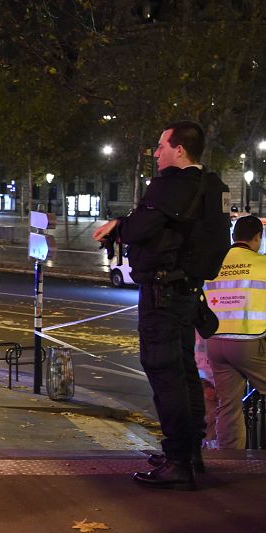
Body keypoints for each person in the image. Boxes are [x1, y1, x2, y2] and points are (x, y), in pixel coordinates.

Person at [92, 121, 226, 490]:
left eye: (161, 145)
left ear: (179, 149)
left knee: (165, 374)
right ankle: (190, 452)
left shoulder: (170, 185)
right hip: (187, 292)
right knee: (185, 374)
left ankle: (177, 461)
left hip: (162, 295)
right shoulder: (210, 187)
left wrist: (120, 226)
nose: (156, 152)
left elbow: (139, 231)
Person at [205, 215, 266, 448]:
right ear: (257, 238)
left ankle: (231, 460)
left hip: (215, 343)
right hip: (248, 342)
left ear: (233, 236)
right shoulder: (261, 264)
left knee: (229, 405)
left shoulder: (214, 264)